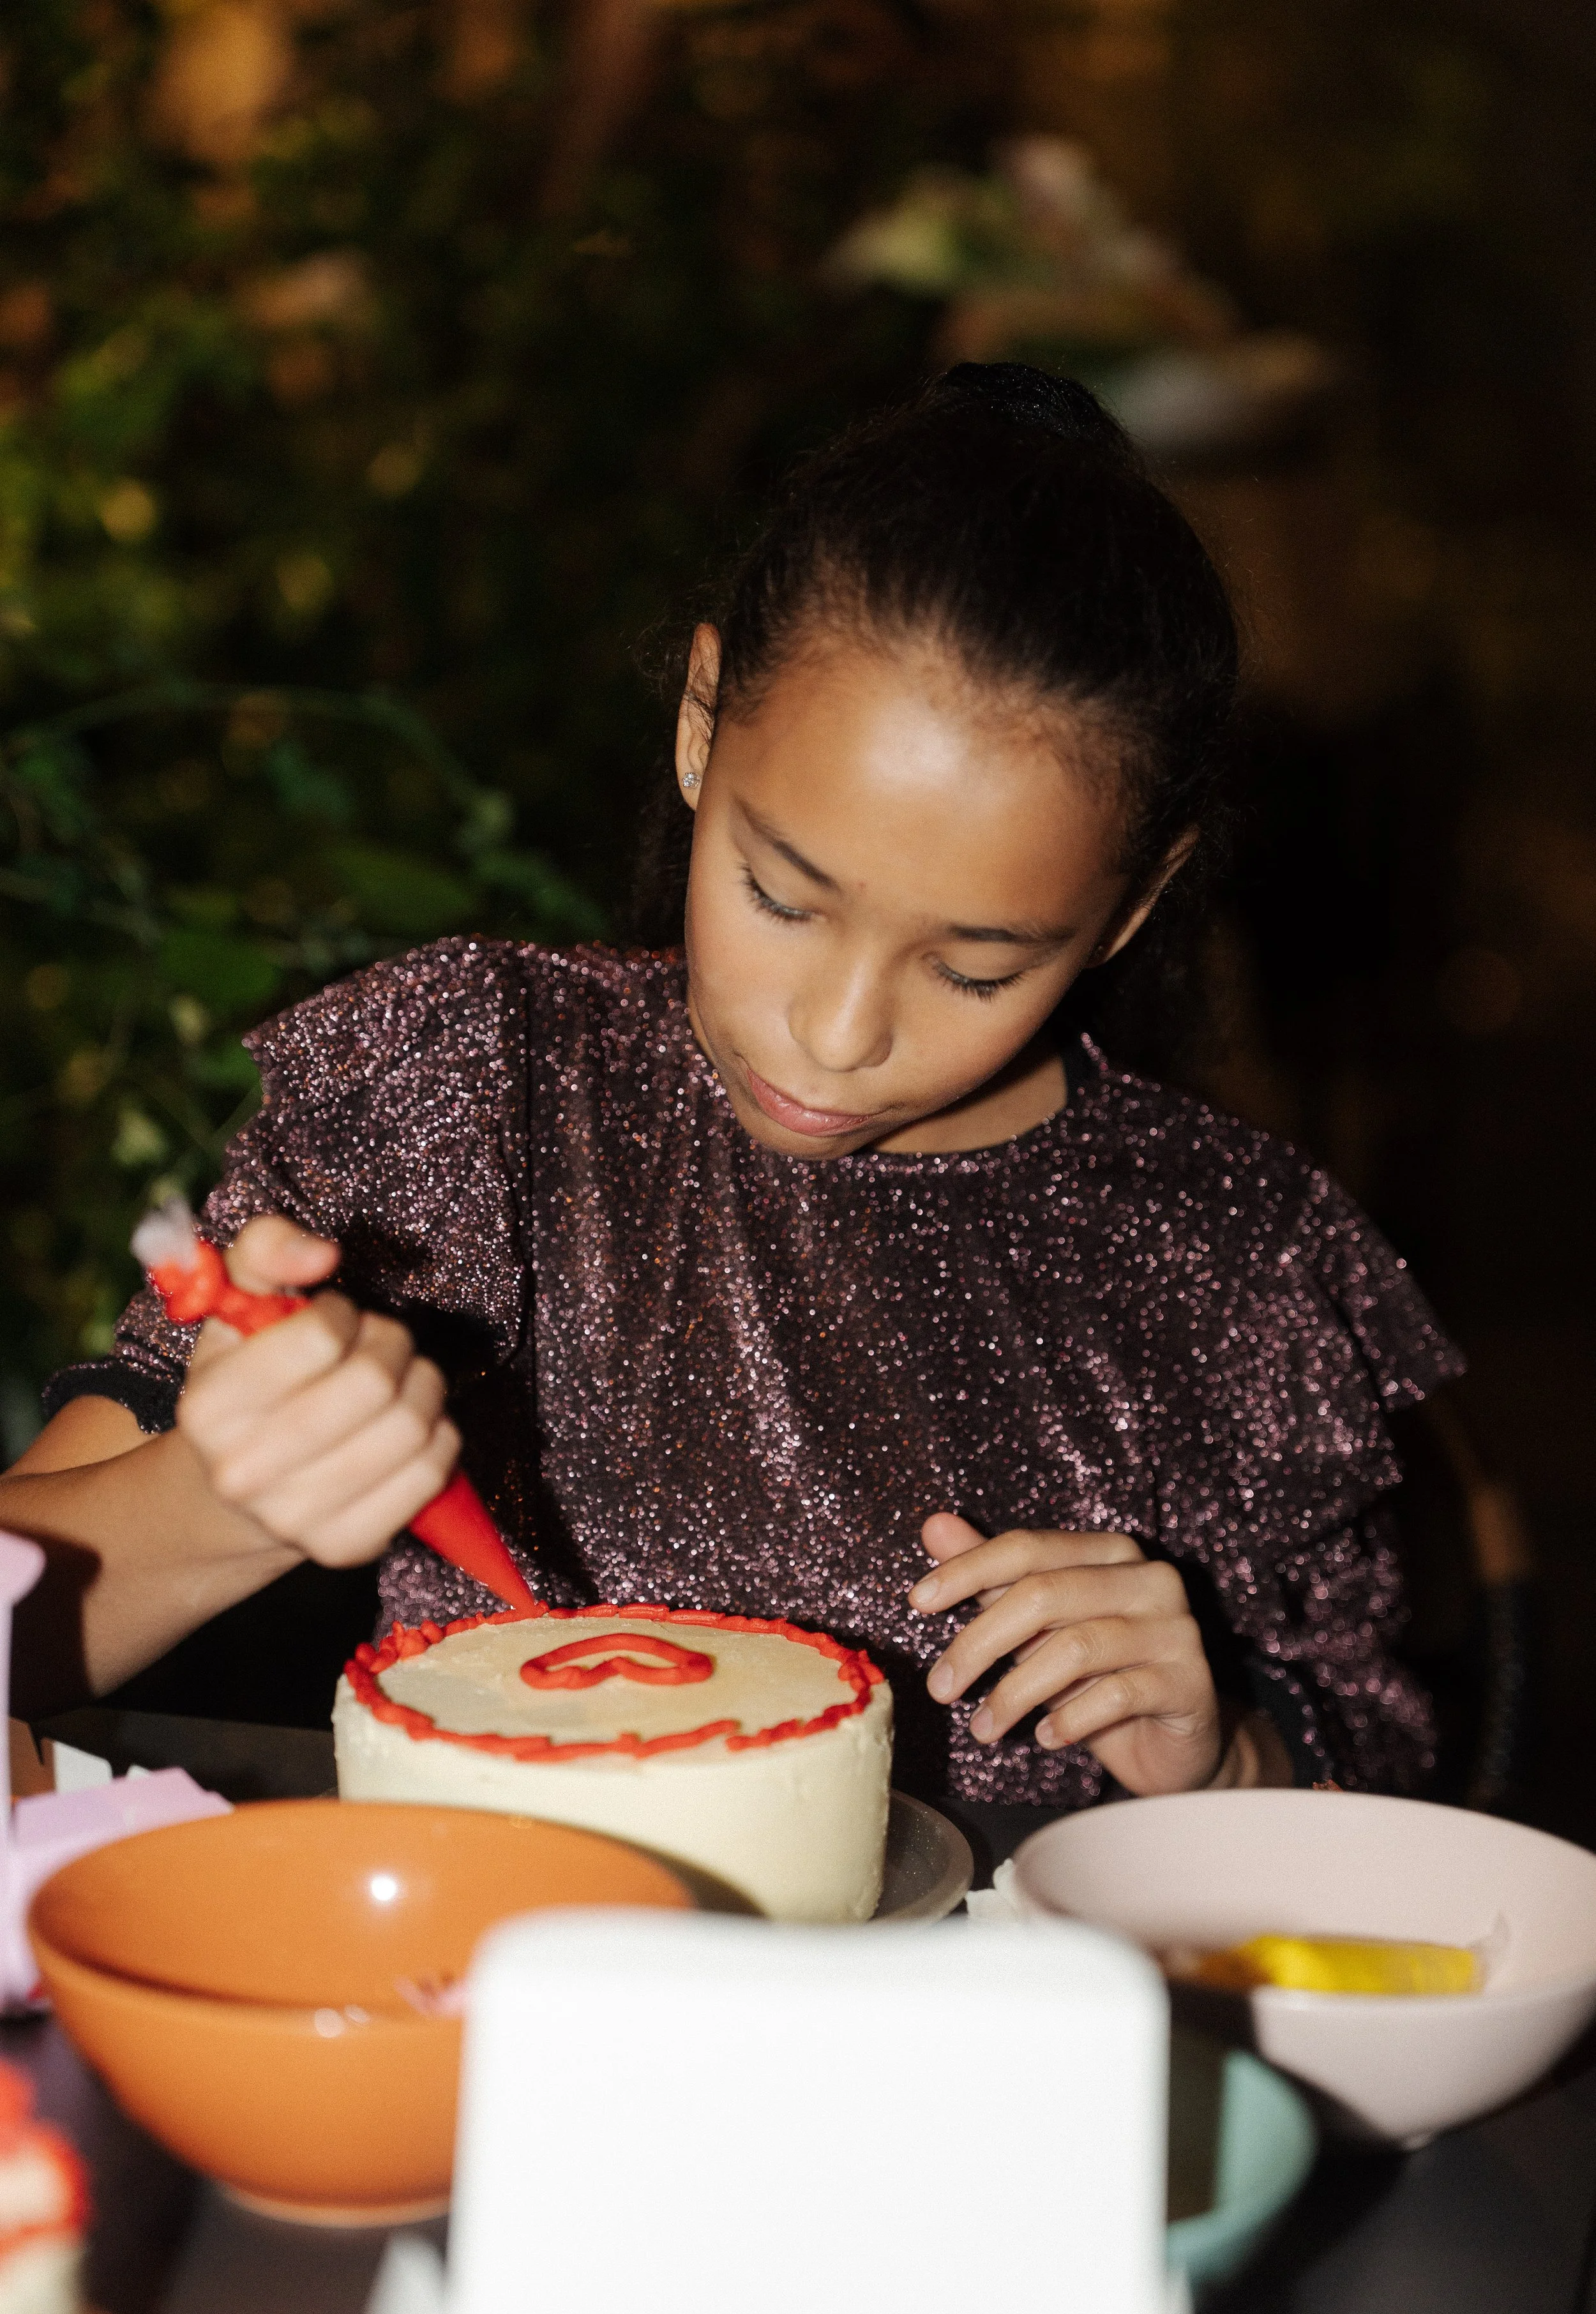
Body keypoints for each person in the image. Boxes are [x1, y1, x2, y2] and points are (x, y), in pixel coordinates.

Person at [0, 365, 1460, 1839]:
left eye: (972, 972)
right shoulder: (476, 1092)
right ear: (702, 719)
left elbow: (1389, 1830)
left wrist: (1218, 1761)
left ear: (1131, 905)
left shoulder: (1227, 1262)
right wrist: (221, 1499)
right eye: (780, 894)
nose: (833, 1039)